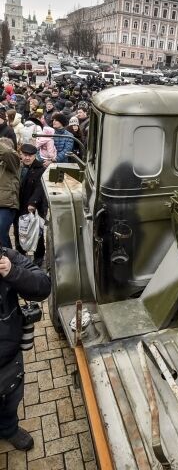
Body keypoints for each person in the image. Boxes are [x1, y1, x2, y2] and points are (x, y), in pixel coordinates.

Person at [0, 247, 51, 450]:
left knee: (10, 400)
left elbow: (43, 286)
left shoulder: (6, 257)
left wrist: (13, 272)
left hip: (8, 359)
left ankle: (9, 429)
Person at [13, 144, 46, 267]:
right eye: (25, 155)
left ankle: (38, 256)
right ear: (21, 155)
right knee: (18, 230)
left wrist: (33, 203)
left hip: (32, 205)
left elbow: (40, 188)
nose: (27, 158)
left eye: (30, 156)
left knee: (36, 232)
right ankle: (21, 254)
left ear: (34, 156)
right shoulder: (18, 167)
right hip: (18, 204)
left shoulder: (40, 169)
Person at [0, 138, 19, 248]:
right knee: (3, 235)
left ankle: (10, 259)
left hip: (7, 204)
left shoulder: (13, 160)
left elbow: (6, 153)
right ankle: (10, 257)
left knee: (1, 233)